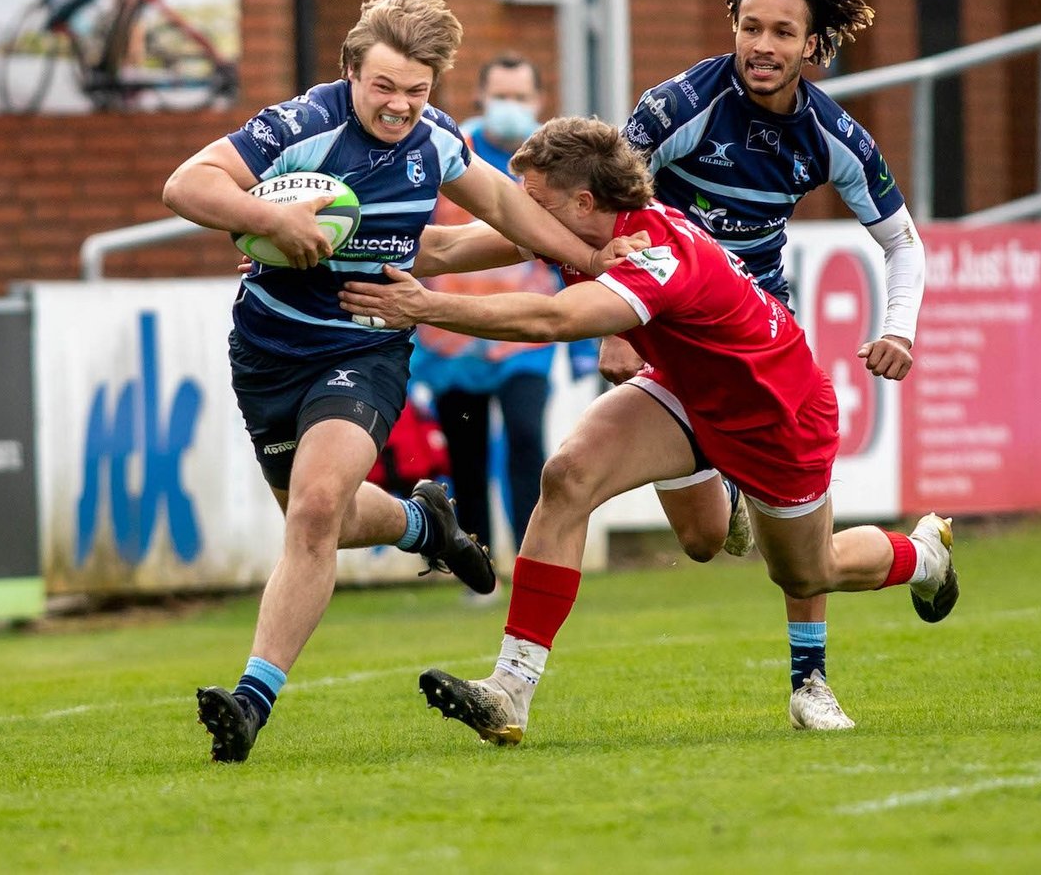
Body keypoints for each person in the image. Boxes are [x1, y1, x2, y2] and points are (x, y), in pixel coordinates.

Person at [338, 115, 957, 746]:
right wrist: (326, 240)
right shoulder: (572, 227)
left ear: (584, 202)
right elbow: (441, 249)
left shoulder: (657, 253)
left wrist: (424, 306)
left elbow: (555, 319)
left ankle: (922, 555)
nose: (522, 213)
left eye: (535, 200)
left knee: (806, 573)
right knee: (579, 481)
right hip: (683, 388)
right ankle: (509, 692)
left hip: (774, 413)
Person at [162, 0, 642, 764]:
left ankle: (252, 701)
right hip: (265, 355)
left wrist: (589, 259)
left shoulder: (437, 140)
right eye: (383, 86)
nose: (397, 106)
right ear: (350, 69)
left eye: (416, 92)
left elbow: (505, 208)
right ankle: (427, 524)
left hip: (364, 348)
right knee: (329, 519)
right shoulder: (303, 124)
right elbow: (187, 185)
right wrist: (269, 218)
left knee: (316, 509)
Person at [611, 0, 926, 730]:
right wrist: (608, 325)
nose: (761, 45)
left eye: (782, 32)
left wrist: (900, 328)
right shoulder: (678, 106)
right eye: (750, 27)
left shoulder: (834, 135)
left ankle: (812, 682)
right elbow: (600, 204)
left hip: (759, 340)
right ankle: (896, 548)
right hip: (665, 330)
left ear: (813, 46)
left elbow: (901, 240)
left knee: (803, 548)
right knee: (701, 541)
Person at [409, 54, 568, 568]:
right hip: (453, 341)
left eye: (521, 97)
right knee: (466, 457)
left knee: (528, 441)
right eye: (502, 95)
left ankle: (532, 561)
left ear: (540, 102)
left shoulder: (558, 161)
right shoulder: (452, 153)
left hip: (527, 337)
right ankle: (475, 567)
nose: (511, 107)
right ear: (480, 97)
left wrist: (591, 341)